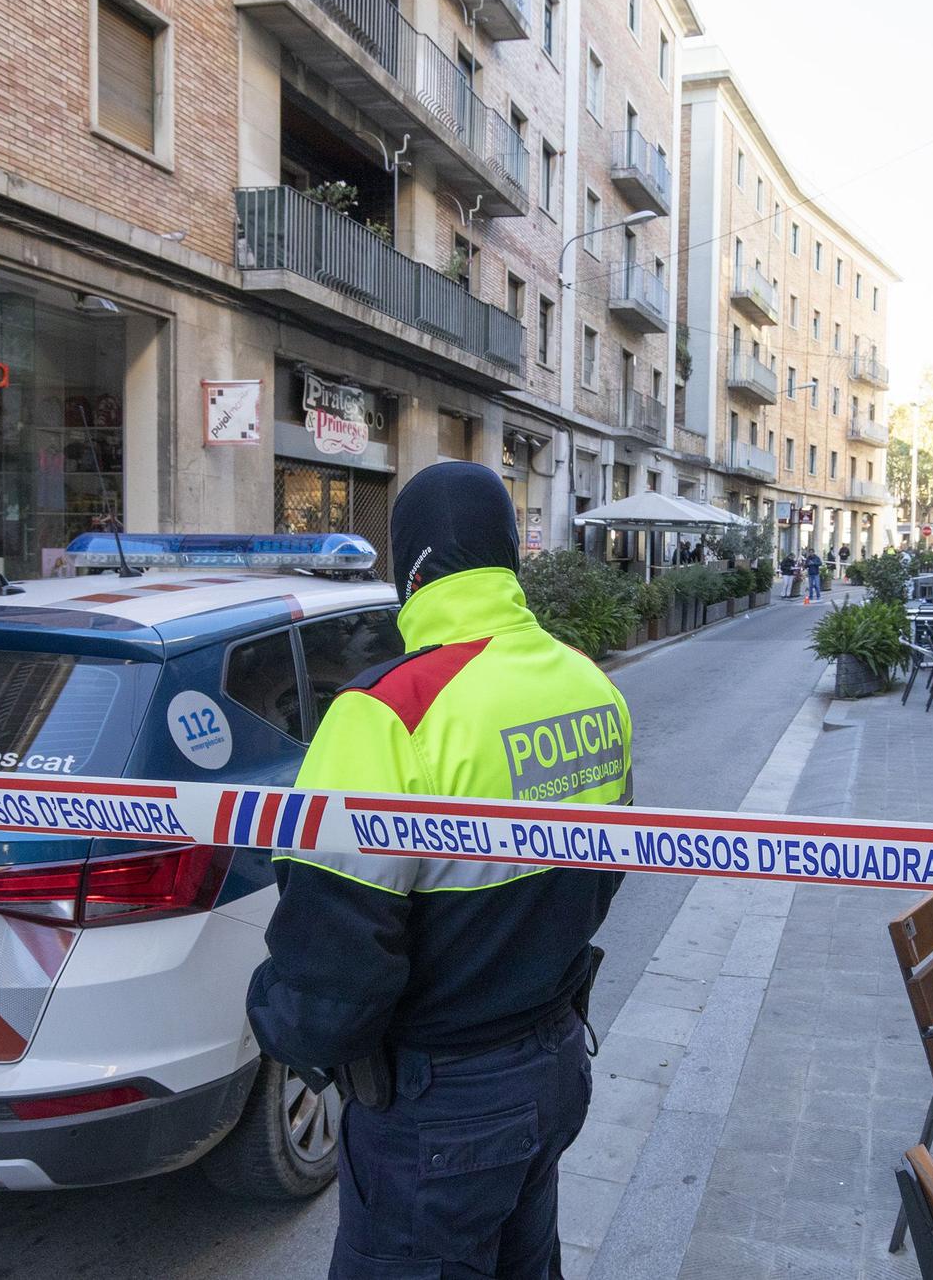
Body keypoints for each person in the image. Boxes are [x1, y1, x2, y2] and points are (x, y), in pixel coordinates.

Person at [247, 461, 631, 1280]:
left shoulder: (388, 710)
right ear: (509, 560)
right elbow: (609, 871)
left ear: (411, 569)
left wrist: (275, 1018)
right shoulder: (590, 685)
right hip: (554, 1064)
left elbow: (333, 960)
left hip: (441, 1112)